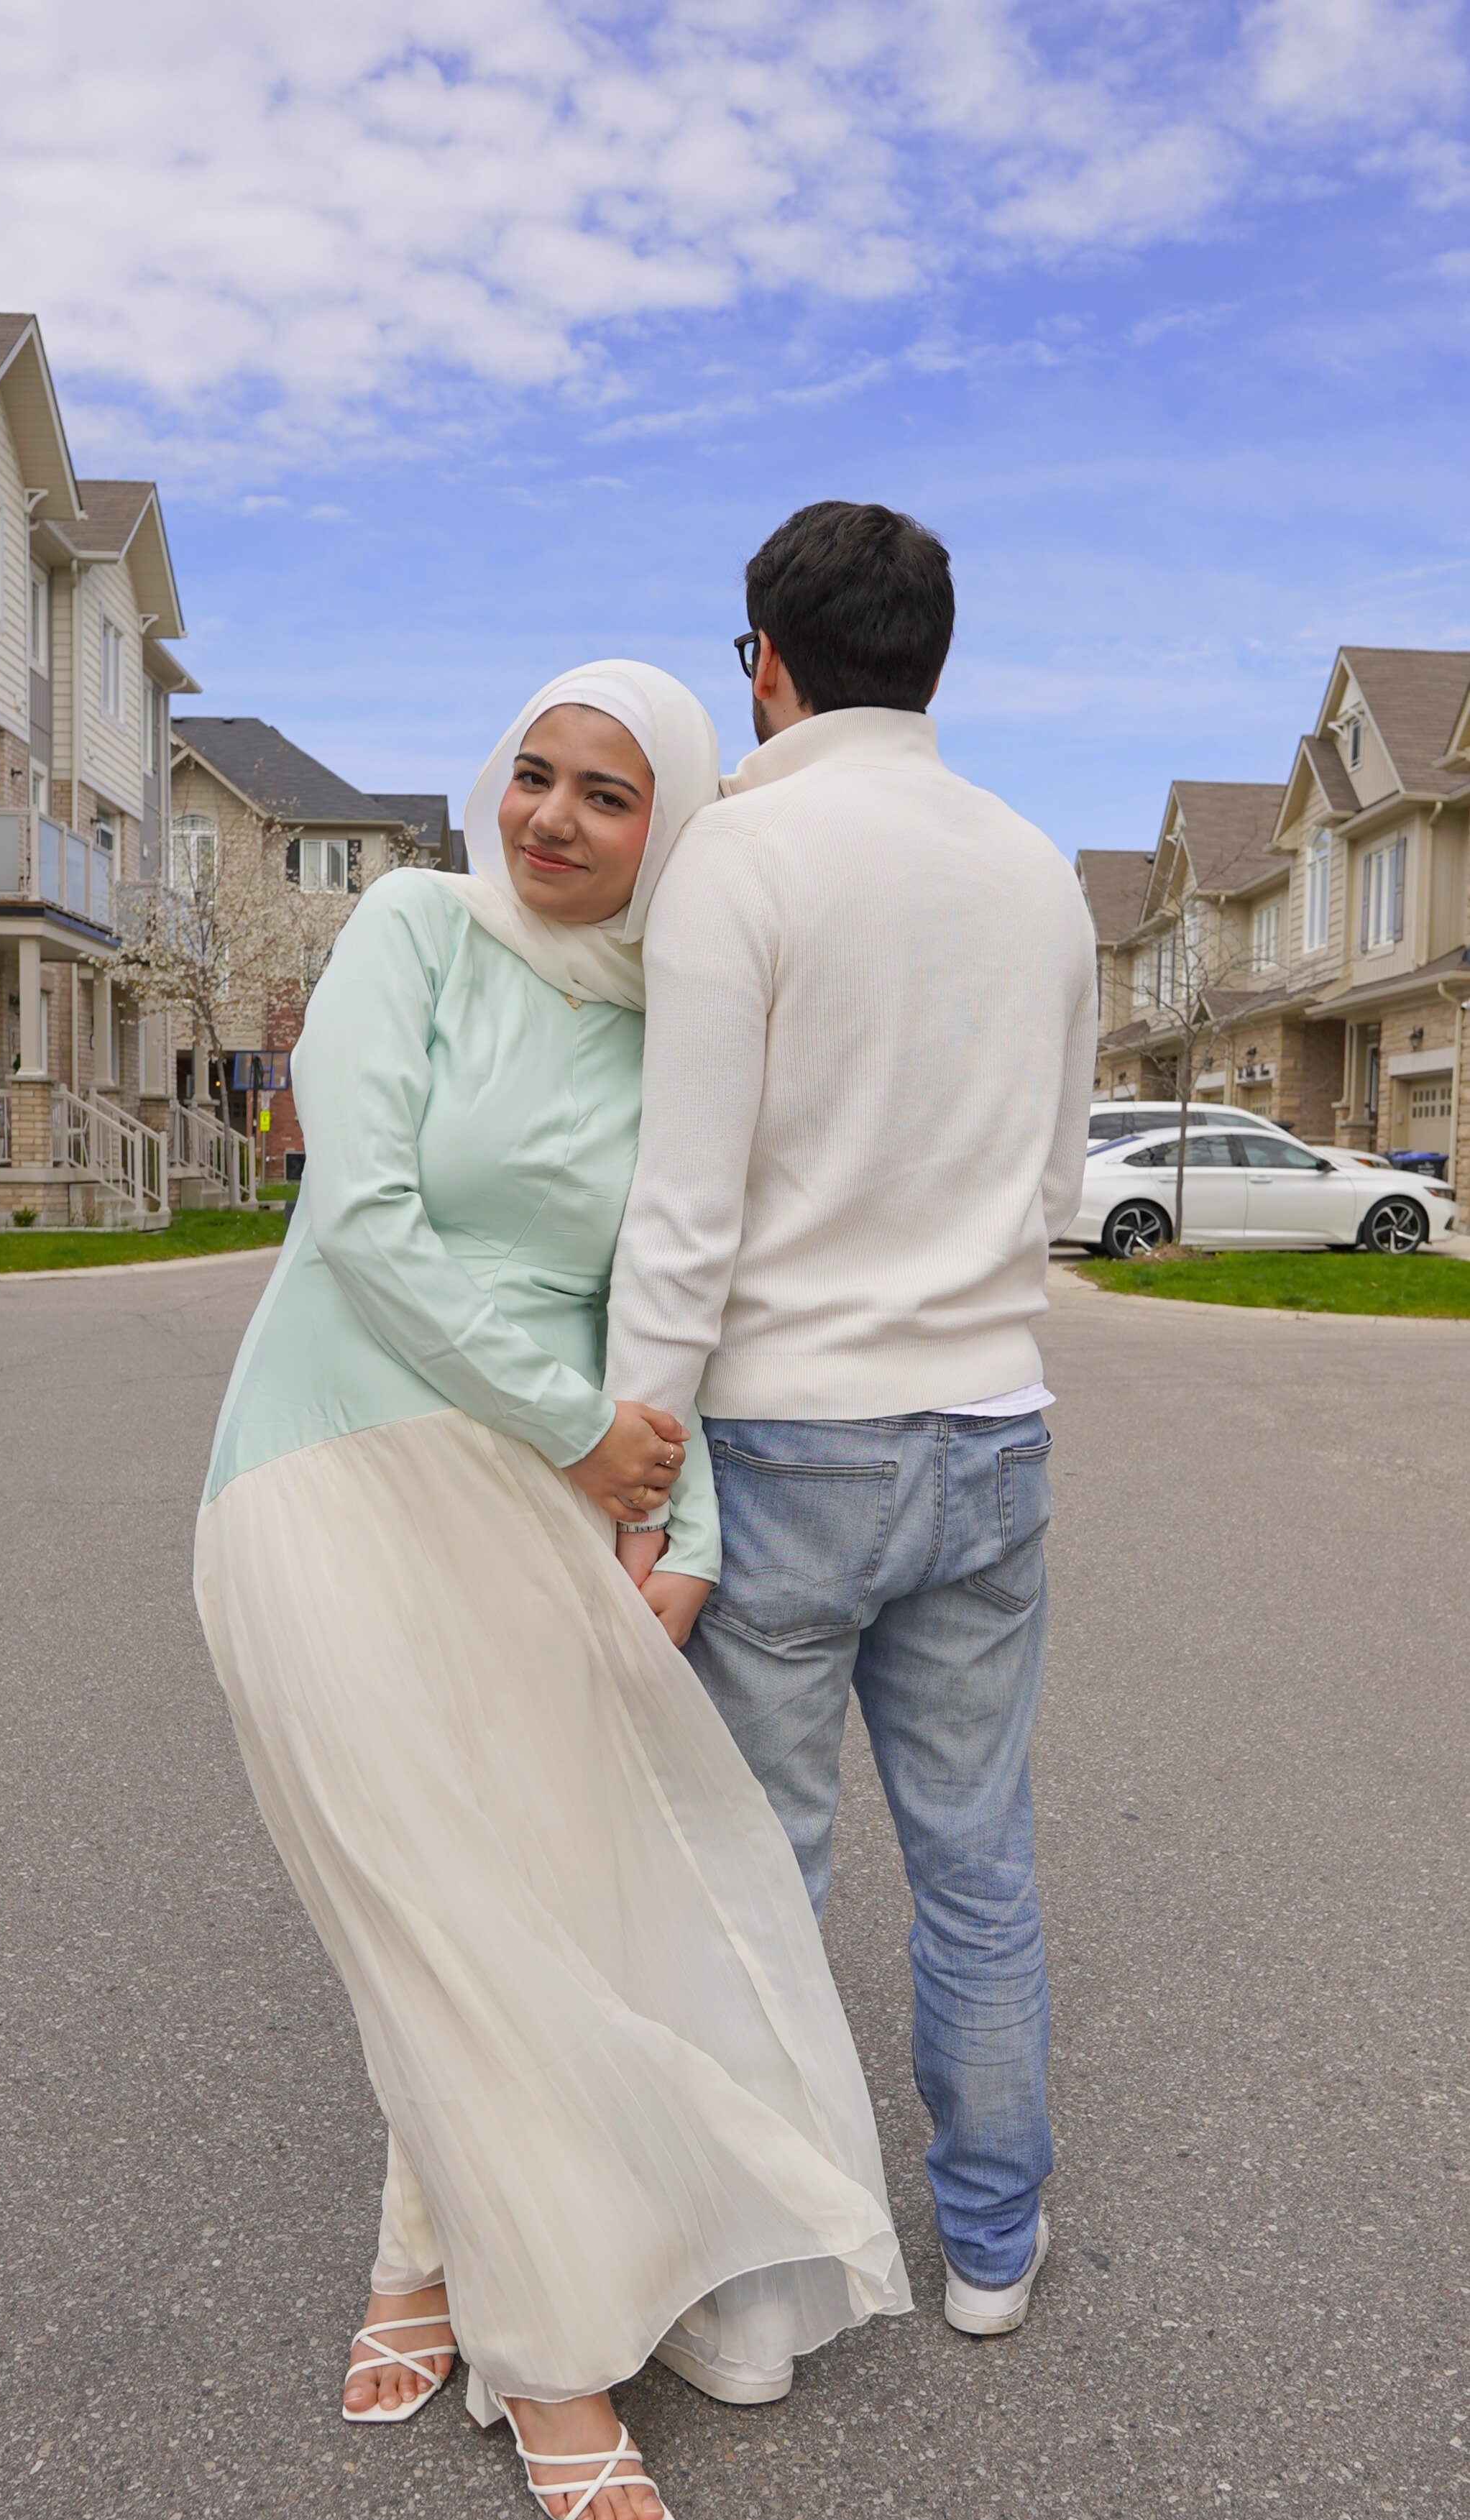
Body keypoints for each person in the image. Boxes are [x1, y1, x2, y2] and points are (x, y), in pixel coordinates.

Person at [194, 660, 910, 2520]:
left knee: (510, 1905)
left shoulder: (671, 1028)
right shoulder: (413, 931)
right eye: (534, 774)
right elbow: (361, 1216)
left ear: (669, 827)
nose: (554, 822)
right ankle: (556, 2358)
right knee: (423, 1906)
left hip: (537, 1512)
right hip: (322, 1478)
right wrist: (592, 1436)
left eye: (608, 796)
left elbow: (670, 1309)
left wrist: (682, 1517)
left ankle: (417, 2260)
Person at [606, 507, 1097, 2342]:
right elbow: (1053, 1180)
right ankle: (987, 2247)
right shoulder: (1037, 871)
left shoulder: (744, 856)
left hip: (790, 1437)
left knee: (762, 1875)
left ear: (765, 662)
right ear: (936, 660)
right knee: (976, 1855)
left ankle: (757, 2294)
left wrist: (639, 1465)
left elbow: (684, 1205)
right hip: (987, 1430)